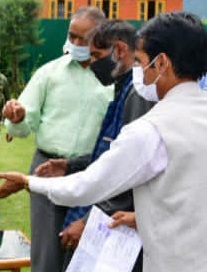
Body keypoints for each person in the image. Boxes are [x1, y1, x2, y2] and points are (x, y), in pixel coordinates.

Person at [0, 12, 207, 272]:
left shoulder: (153, 129)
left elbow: (87, 185)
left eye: (142, 63)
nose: (138, 73)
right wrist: (141, 218)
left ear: (162, 62)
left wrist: (29, 182)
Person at [2, 6, 113, 272]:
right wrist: (16, 118)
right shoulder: (49, 73)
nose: (74, 43)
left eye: (82, 39)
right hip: (46, 170)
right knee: (46, 253)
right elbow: (23, 124)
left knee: (85, 252)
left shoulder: (113, 79)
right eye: (71, 35)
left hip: (93, 172)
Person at [40, 21, 153, 272]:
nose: (91, 63)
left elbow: (127, 173)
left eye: (96, 55)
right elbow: (109, 153)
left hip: (114, 225)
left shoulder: (137, 95)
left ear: (120, 50)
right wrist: (70, 165)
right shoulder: (122, 89)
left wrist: (89, 220)